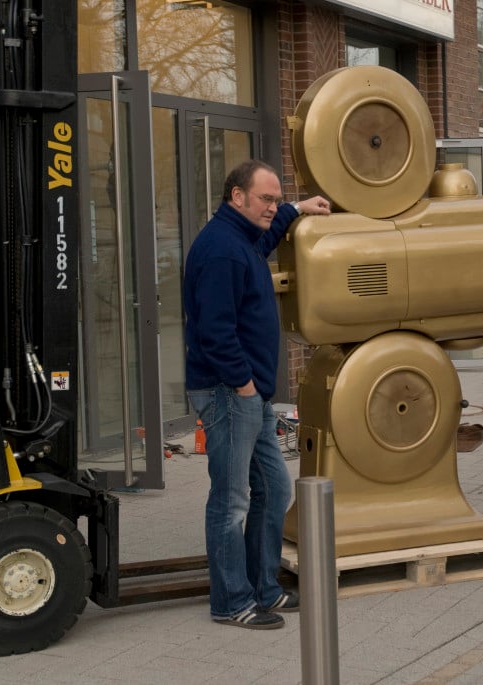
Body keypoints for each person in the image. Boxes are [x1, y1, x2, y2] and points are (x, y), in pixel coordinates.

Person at [183, 160, 330, 629]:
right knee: (231, 501)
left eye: (275, 199)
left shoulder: (242, 239)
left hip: (249, 395)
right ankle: (232, 602)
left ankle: (264, 588)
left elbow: (264, 241)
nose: (271, 206)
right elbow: (215, 331)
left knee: (273, 487)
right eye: (265, 199)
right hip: (231, 392)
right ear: (237, 197)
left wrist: (295, 209)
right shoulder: (222, 251)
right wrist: (244, 384)